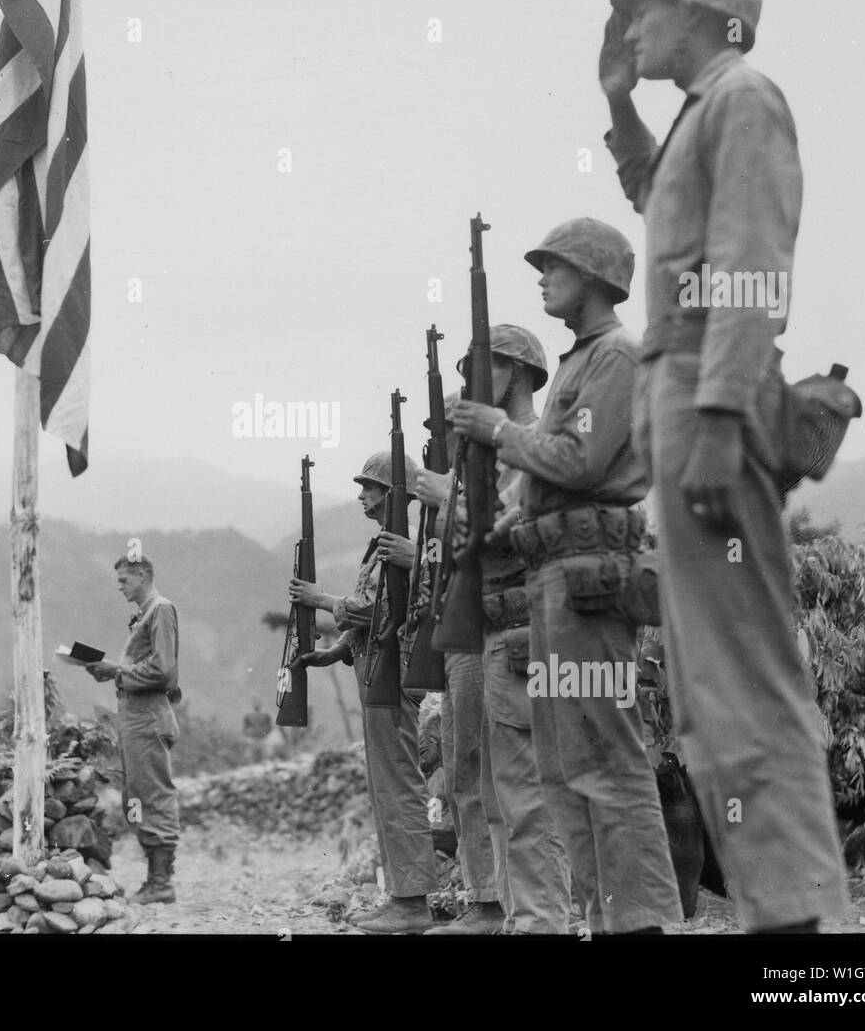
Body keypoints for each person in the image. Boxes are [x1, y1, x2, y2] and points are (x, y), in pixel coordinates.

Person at [599, 0, 848, 932]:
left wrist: (711, 419)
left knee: (745, 676)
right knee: (714, 684)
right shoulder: (703, 115)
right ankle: (781, 918)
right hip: (687, 394)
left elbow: (751, 267)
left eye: (643, 9)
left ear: (703, 7)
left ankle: (800, 927)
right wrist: (618, 104)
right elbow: (665, 210)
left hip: (711, 396)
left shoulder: (744, 97)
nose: (629, 28)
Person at [453, 218, 683, 934]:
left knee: (605, 754)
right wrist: (498, 518)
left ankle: (639, 921)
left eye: (555, 266)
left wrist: (498, 430)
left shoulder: (616, 354)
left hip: (589, 582)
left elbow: (579, 464)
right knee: (560, 763)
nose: (543, 276)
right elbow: (552, 473)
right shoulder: (584, 358)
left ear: (594, 277)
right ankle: (601, 914)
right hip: (555, 577)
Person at [418, 326, 572, 935]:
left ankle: (540, 919)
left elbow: (503, 527)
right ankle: (519, 915)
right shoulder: (499, 449)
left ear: (518, 371)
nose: (469, 381)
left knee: (528, 795)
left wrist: (446, 493)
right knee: (499, 788)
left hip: (525, 628)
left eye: (482, 367)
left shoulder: (533, 442)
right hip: (494, 626)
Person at [289, 450, 439, 934]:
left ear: (394, 495)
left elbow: (377, 608)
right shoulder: (383, 547)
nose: (361, 496)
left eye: (370, 487)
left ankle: (412, 902)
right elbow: (375, 616)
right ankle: (403, 896)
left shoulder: (409, 547)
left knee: (398, 787)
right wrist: (336, 652)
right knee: (386, 788)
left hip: (394, 676)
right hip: (376, 671)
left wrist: (322, 600)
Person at [85, 555, 181, 905]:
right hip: (135, 716)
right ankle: (155, 880)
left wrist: (117, 672)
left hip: (148, 717)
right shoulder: (145, 614)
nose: (120, 586)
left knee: (153, 793)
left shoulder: (161, 610)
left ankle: (161, 882)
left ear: (143, 575)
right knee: (137, 795)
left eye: (125, 580)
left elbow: (164, 671)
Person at [241, 700, 273, 765]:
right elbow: (245, 727)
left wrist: (266, 733)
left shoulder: (264, 715)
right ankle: (255, 767)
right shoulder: (249, 716)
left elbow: (269, 726)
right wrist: (248, 734)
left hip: (262, 738)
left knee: (263, 755)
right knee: (254, 755)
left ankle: (262, 767)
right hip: (254, 738)